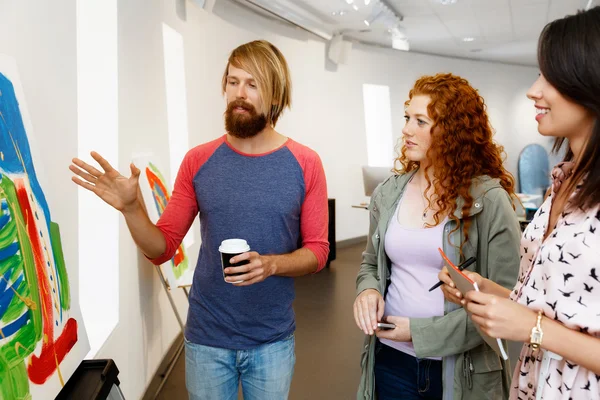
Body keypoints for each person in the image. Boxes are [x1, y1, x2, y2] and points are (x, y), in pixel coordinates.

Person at [69, 40, 329, 400]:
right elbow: (162, 248)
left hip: (272, 340)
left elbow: (317, 251)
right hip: (207, 339)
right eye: (233, 81)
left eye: (252, 84)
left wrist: (271, 265)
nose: (239, 93)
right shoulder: (199, 161)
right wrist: (132, 209)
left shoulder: (305, 163)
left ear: (275, 96)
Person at [439, 6, 600, 400]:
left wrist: (531, 328)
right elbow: (553, 306)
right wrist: (488, 291)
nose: (534, 90)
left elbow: (540, 324)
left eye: (550, 76)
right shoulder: (563, 183)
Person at [354, 73, 522, 400]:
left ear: (451, 130)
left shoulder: (489, 201)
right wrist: (368, 291)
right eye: (407, 118)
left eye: (420, 121)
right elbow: (370, 264)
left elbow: (505, 302)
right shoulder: (388, 193)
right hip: (389, 359)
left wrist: (418, 333)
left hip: (461, 371)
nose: (406, 129)